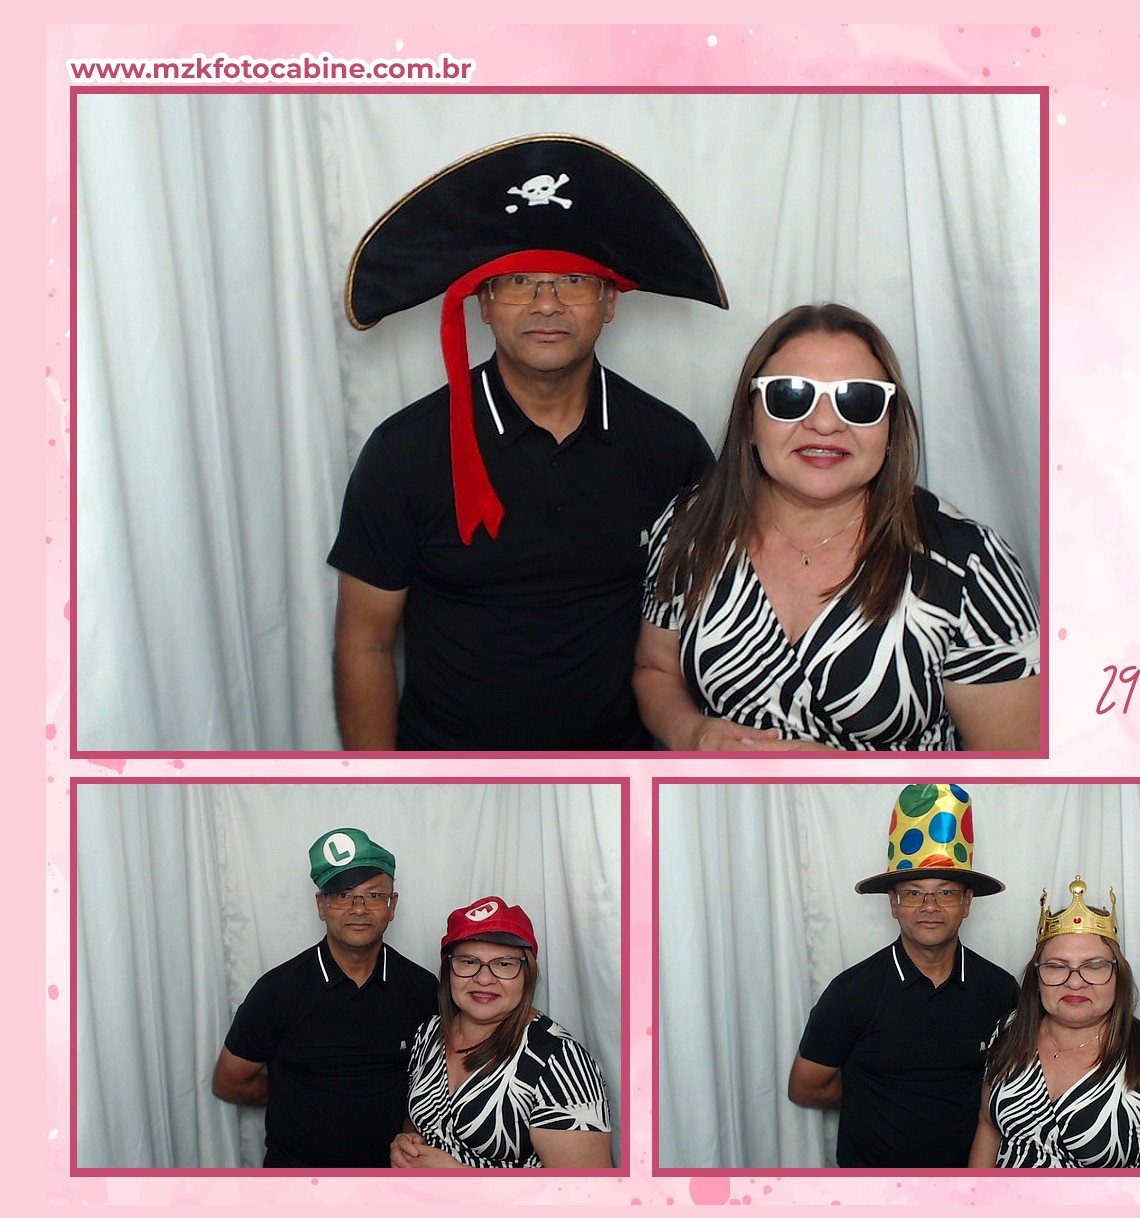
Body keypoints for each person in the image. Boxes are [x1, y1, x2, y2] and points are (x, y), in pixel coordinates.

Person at [330, 134, 725, 750]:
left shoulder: (670, 448)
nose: (547, 305)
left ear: (610, 302)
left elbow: (703, 630)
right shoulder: (403, 452)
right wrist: (382, 787)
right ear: (483, 303)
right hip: (451, 775)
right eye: (519, 282)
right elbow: (366, 642)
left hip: (618, 775)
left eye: (573, 281)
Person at [636, 303, 1039, 752]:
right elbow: (656, 670)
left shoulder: (970, 566)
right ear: (750, 420)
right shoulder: (692, 527)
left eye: (859, 401)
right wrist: (692, 733)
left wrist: (842, 777)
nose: (825, 423)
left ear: (890, 427)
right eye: (790, 396)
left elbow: (1015, 770)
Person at [787, 784, 1017, 1166]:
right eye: (913, 893)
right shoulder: (850, 994)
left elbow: (1011, 1090)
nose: (930, 906)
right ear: (893, 903)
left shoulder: (1000, 990)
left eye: (946, 892)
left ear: (967, 902)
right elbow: (805, 1087)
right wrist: (873, 1096)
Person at [211, 828, 439, 1167]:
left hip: (389, 1178)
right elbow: (229, 1083)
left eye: (373, 896)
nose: (359, 909)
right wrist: (296, 1097)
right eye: (343, 895)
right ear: (322, 906)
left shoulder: (421, 988)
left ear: (392, 906)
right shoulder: (277, 991)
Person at [970, 877, 1140, 1168]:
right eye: (1057, 966)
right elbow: (988, 1125)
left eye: (1094, 966)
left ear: (1119, 977)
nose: (1075, 982)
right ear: (1037, 978)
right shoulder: (1009, 1031)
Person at [390, 896, 613, 1168]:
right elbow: (422, 1121)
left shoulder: (560, 1061)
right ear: (449, 971)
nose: (484, 978)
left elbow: (586, 1190)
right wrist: (408, 1143)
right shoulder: (429, 1034)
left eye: (504, 964)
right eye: (468, 962)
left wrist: (456, 1177)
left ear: (527, 974)